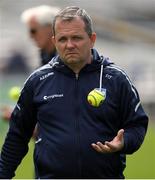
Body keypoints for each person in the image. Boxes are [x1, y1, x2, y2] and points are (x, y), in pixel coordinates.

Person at [0, 6, 148, 179]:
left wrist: (125, 142)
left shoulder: (116, 79)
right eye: (63, 39)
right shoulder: (37, 81)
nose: (69, 45)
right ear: (54, 41)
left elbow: (137, 125)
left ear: (92, 39)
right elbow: (17, 136)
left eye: (76, 38)